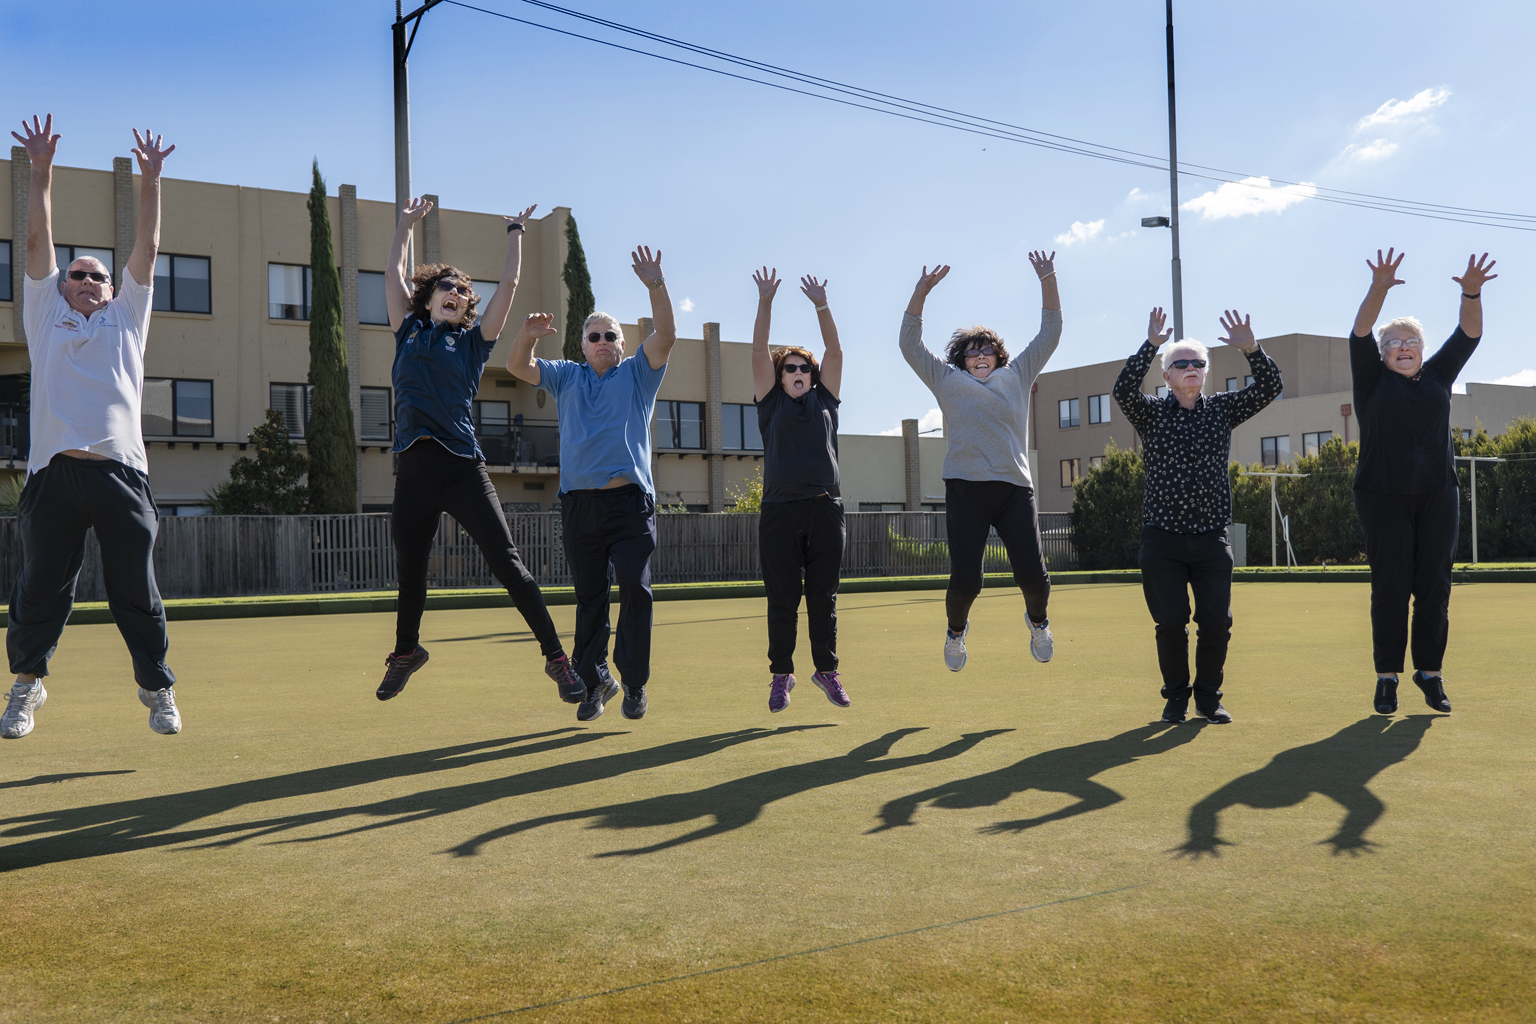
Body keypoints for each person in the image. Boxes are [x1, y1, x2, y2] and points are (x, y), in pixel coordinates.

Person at [2, 116, 182, 739]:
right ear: (60, 286)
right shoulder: (45, 311)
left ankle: (156, 689)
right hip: (54, 475)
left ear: (112, 289)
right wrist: (40, 171)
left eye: (94, 275)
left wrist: (151, 179)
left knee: (137, 588)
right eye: (73, 274)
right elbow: (33, 242)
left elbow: (149, 249)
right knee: (37, 591)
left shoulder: (128, 316)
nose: (82, 281)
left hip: (121, 474)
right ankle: (26, 687)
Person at [376, 198, 583, 707]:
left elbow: (508, 287)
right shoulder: (407, 330)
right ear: (427, 298)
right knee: (410, 569)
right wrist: (404, 225)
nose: (458, 294)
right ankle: (406, 652)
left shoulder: (473, 342)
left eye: (464, 292)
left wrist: (516, 232)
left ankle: (558, 658)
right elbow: (390, 272)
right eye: (448, 287)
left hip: (462, 469)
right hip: (413, 471)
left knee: (509, 563)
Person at [505, 246, 677, 722]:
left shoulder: (638, 375)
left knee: (635, 593)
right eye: (594, 336)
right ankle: (596, 678)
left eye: (611, 336)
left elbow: (666, 333)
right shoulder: (566, 377)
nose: (602, 341)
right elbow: (518, 368)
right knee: (590, 601)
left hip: (629, 506)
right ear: (581, 345)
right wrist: (525, 335)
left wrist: (656, 285)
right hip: (579, 508)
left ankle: (636, 683)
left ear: (622, 345)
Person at [1112, 307, 1282, 724]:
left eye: (1198, 363)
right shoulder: (1150, 413)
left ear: (1205, 373)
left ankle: (1208, 698)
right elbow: (1122, 391)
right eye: (1180, 364)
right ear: (1166, 376)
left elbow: (1270, 386)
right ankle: (1176, 699)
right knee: (1171, 623)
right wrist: (1151, 345)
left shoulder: (1222, 410)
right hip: (1162, 539)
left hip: (1210, 539)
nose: (1191, 368)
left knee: (1216, 623)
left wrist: (1252, 349)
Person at [1348, 249, 1496, 716]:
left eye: (1411, 340)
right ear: (1382, 353)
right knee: (1390, 585)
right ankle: (1387, 677)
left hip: (1438, 492)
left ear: (1423, 349)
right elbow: (1360, 330)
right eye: (1394, 342)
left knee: (1434, 584)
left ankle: (1429, 673)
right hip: (1380, 494)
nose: (1404, 346)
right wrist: (1379, 289)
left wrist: (1470, 292)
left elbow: (1470, 333)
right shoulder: (1370, 379)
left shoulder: (1438, 375)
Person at [899, 253, 1061, 673]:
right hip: (966, 489)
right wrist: (921, 292)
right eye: (973, 353)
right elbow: (909, 345)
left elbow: (1051, 331)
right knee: (968, 581)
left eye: (988, 350)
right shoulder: (947, 381)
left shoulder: (1018, 375)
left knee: (1034, 577)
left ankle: (1038, 623)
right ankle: (956, 633)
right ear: (962, 360)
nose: (981, 356)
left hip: (1013, 489)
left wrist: (1048, 276)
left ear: (999, 355)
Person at [750, 267, 850, 713]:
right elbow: (757, 350)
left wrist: (821, 305)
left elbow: (835, 349)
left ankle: (826, 670)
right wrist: (766, 300)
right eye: (788, 367)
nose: (796, 371)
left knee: (823, 599)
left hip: (825, 509)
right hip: (779, 512)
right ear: (780, 375)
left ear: (811, 374)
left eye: (802, 367)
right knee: (783, 601)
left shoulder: (825, 399)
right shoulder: (770, 404)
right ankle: (781, 674)